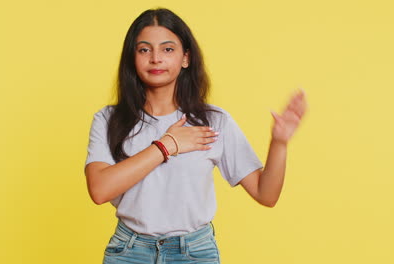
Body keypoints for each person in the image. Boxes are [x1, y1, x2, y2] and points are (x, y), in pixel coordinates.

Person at [85, 8, 307, 264]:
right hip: (129, 252)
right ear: (132, 58)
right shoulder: (108, 119)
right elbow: (99, 190)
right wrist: (166, 146)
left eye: (168, 49)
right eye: (144, 49)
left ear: (185, 58)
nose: (156, 58)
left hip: (194, 253)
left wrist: (279, 143)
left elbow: (265, 195)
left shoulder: (213, 121)